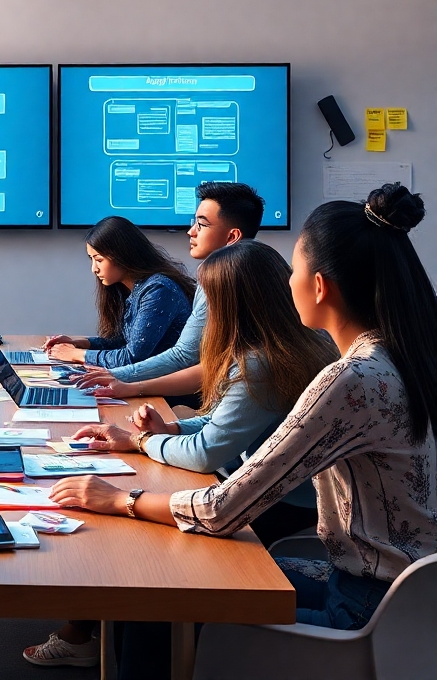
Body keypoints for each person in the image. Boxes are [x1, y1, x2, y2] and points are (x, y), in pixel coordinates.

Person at [47, 184, 437, 677]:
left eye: (293, 270)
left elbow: (223, 508)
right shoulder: (396, 356)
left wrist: (120, 500)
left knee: (152, 604)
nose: (286, 281)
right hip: (402, 598)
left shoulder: (351, 378)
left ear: (319, 287)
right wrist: (155, 435)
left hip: (364, 609)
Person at [24, 241, 336, 668]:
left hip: (285, 504)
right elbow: (220, 422)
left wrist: (139, 443)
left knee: (149, 577)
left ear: (232, 306)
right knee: (141, 551)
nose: (200, 319)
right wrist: (170, 428)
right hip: (272, 487)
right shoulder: (294, 343)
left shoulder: (261, 362)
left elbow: (207, 453)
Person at [70, 182, 265, 399]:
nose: (190, 231)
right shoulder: (249, 272)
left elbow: (183, 356)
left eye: (201, 225)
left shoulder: (217, 283)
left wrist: (114, 375)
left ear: (231, 237)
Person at [46, 217, 194, 370]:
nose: (94, 269)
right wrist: (81, 343)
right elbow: (124, 342)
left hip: (163, 390)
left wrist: (75, 354)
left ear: (121, 255)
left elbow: (131, 358)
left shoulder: (158, 290)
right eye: (91, 259)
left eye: (99, 260)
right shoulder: (132, 288)